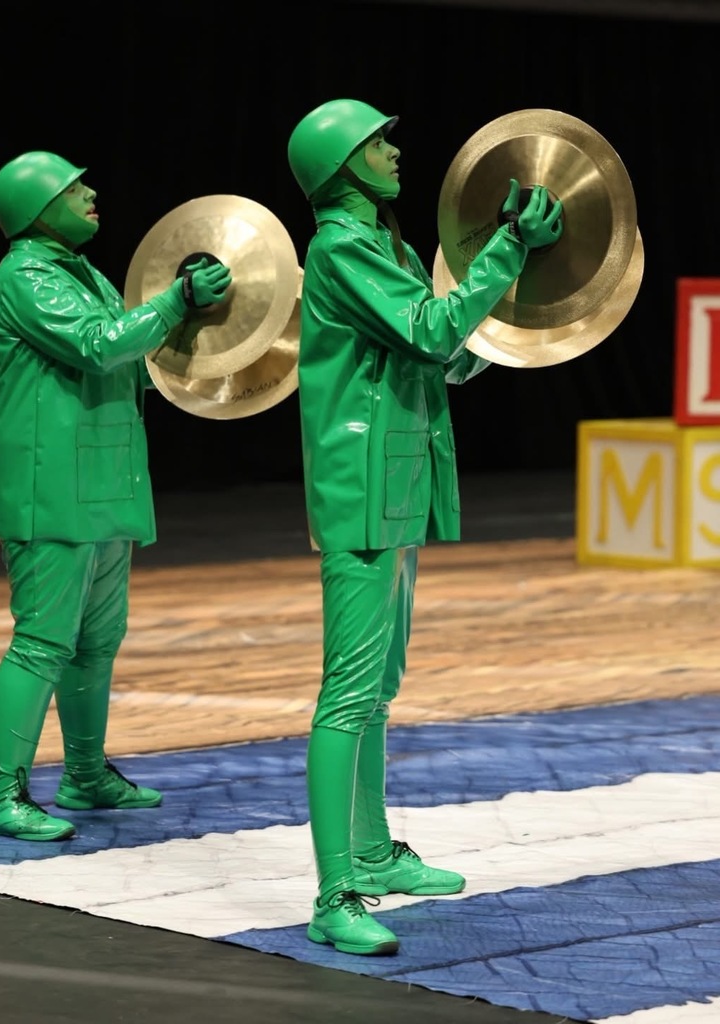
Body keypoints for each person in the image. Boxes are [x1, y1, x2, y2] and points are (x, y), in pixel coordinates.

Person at [287, 99, 563, 955]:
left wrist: (492, 316)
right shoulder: (341, 246)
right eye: (377, 142)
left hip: (394, 484)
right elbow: (427, 325)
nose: (394, 150)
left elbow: (444, 348)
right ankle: (334, 893)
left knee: (377, 689)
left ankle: (370, 851)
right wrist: (505, 252)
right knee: (348, 692)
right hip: (361, 487)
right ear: (339, 165)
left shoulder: (385, 244)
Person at [0, 151, 232, 842]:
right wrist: (175, 301)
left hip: (101, 479)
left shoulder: (78, 271)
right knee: (42, 642)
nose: (91, 193)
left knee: (97, 641)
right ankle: (4, 795)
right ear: (34, 208)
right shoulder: (26, 276)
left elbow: (127, 356)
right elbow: (98, 344)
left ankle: (85, 772)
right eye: (73, 187)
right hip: (48, 484)